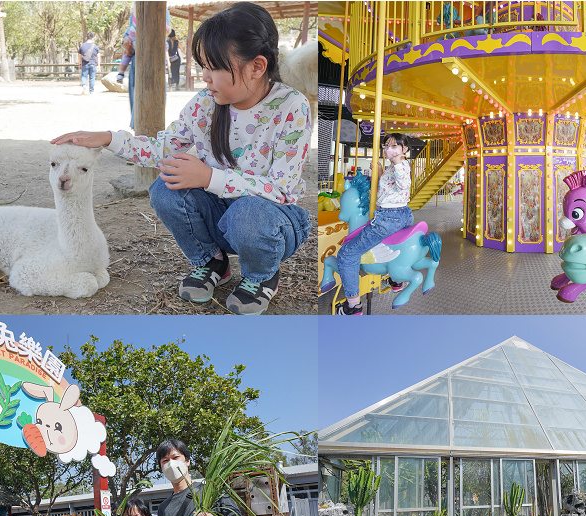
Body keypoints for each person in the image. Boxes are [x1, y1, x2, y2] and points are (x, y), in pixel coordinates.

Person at [53, 3, 312, 315]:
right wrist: (109, 138)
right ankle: (211, 261)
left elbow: (281, 190)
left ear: (256, 67)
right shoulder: (206, 104)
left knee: (250, 213)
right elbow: (163, 148)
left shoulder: (292, 107)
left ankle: (261, 276)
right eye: (202, 66)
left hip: (268, 221)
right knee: (165, 188)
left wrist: (209, 178)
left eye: (214, 67)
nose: (204, 77)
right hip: (221, 216)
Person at [325, 133, 412, 315]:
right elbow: (388, 188)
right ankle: (395, 280)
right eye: (387, 145)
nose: (389, 148)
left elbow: (403, 184)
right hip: (403, 215)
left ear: (405, 150)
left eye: (396, 145)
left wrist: (396, 162)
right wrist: (380, 171)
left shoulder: (401, 166)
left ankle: (353, 305)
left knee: (347, 255)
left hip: (388, 218)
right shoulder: (392, 167)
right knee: (389, 243)